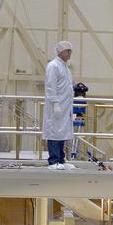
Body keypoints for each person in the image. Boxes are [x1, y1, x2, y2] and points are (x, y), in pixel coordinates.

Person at [43, 41, 75, 170]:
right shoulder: (53, 66)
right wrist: (55, 102)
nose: (70, 54)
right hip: (56, 106)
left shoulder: (65, 67)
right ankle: (53, 160)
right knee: (54, 132)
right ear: (60, 51)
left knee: (63, 133)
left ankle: (61, 160)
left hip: (65, 106)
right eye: (68, 51)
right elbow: (51, 85)